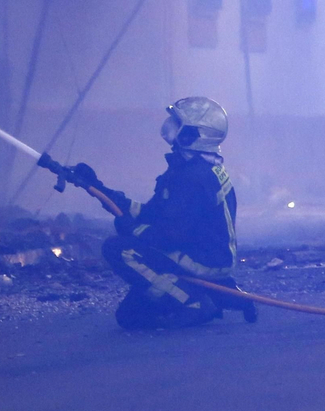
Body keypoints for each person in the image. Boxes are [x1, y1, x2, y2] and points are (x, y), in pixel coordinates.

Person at [61, 97, 245, 330]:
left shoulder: (194, 178)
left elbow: (170, 238)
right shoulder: (193, 167)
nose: (170, 126)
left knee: (120, 249)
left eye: (178, 123)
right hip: (201, 252)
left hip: (204, 259)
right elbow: (151, 212)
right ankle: (217, 294)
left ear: (195, 134)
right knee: (131, 317)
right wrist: (96, 187)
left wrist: (134, 230)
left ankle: (194, 302)